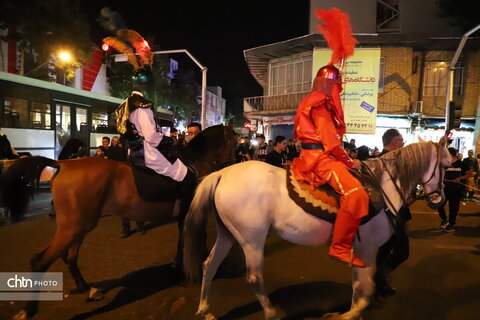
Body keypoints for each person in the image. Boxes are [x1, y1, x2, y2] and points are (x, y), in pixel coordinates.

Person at [290, 64, 368, 268]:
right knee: (356, 194)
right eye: (337, 86)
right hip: (320, 159)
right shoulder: (321, 105)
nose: (338, 91)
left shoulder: (310, 101)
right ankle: (340, 247)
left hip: (310, 155)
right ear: (330, 85)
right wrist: (351, 162)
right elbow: (331, 144)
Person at [374, 128, 411, 297]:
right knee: (402, 252)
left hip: (389, 213)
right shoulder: (385, 162)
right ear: (394, 142)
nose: (403, 145)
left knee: (385, 249)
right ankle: (377, 278)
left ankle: (379, 283)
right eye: (402, 141)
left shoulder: (384, 161)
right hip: (391, 214)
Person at [438, 147, 472, 232]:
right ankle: (444, 219)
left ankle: (451, 223)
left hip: (456, 190)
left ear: (450, 155)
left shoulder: (461, 164)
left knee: (453, 208)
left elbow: (470, 173)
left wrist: (460, 178)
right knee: (439, 205)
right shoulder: (444, 163)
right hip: (444, 189)